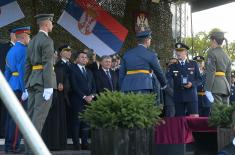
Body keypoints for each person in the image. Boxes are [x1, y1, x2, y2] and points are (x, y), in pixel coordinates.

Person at [24, 14, 56, 155]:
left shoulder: (32, 41)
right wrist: (49, 86)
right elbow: (47, 64)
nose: (52, 25)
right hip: (43, 82)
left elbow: (27, 65)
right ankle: (34, 151)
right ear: (46, 24)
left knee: (31, 116)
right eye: (51, 23)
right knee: (38, 118)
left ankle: (28, 149)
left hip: (32, 81)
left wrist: (26, 85)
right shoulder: (47, 41)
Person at [4, 26, 31, 153]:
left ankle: (9, 145)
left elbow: (7, 71)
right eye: (29, 36)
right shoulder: (24, 50)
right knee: (18, 118)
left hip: (11, 86)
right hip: (20, 88)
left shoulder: (11, 50)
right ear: (24, 37)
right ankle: (13, 146)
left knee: (11, 118)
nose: (30, 39)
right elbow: (22, 71)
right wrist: (25, 89)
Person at [42, 45, 72, 150]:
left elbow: (67, 82)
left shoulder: (60, 69)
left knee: (59, 123)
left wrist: (63, 86)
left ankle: (58, 145)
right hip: (47, 99)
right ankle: (47, 144)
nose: (53, 56)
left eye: (54, 54)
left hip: (59, 100)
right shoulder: (43, 68)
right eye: (51, 55)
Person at [69, 52, 96, 150]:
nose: (84, 59)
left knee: (86, 123)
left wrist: (92, 95)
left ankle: (85, 144)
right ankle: (76, 144)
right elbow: (74, 86)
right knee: (76, 123)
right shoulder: (73, 69)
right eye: (82, 57)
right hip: (77, 100)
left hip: (89, 101)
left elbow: (94, 86)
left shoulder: (89, 71)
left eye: (86, 57)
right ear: (77, 59)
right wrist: (84, 96)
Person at [166, 43, 201, 116]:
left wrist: (192, 84)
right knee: (180, 121)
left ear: (186, 52)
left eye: (181, 51)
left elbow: (199, 79)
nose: (178, 53)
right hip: (179, 97)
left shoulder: (193, 64)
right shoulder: (173, 66)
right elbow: (167, 79)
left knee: (193, 119)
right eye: (177, 51)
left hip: (191, 96)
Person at [205, 31, 231, 105]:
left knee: (216, 113)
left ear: (214, 40)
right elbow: (228, 75)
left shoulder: (212, 53)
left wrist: (208, 89)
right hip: (225, 86)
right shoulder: (227, 55)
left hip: (215, 86)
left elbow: (211, 72)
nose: (210, 43)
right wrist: (228, 88)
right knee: (225, 113)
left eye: (211, 41)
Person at [0, 28, 16, 138]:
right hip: (6, 82)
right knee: (5, 109)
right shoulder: (3, 47)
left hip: (18, 84)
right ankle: (4, 132)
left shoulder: (25, 48)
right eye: (15, 33)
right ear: (11, 35)